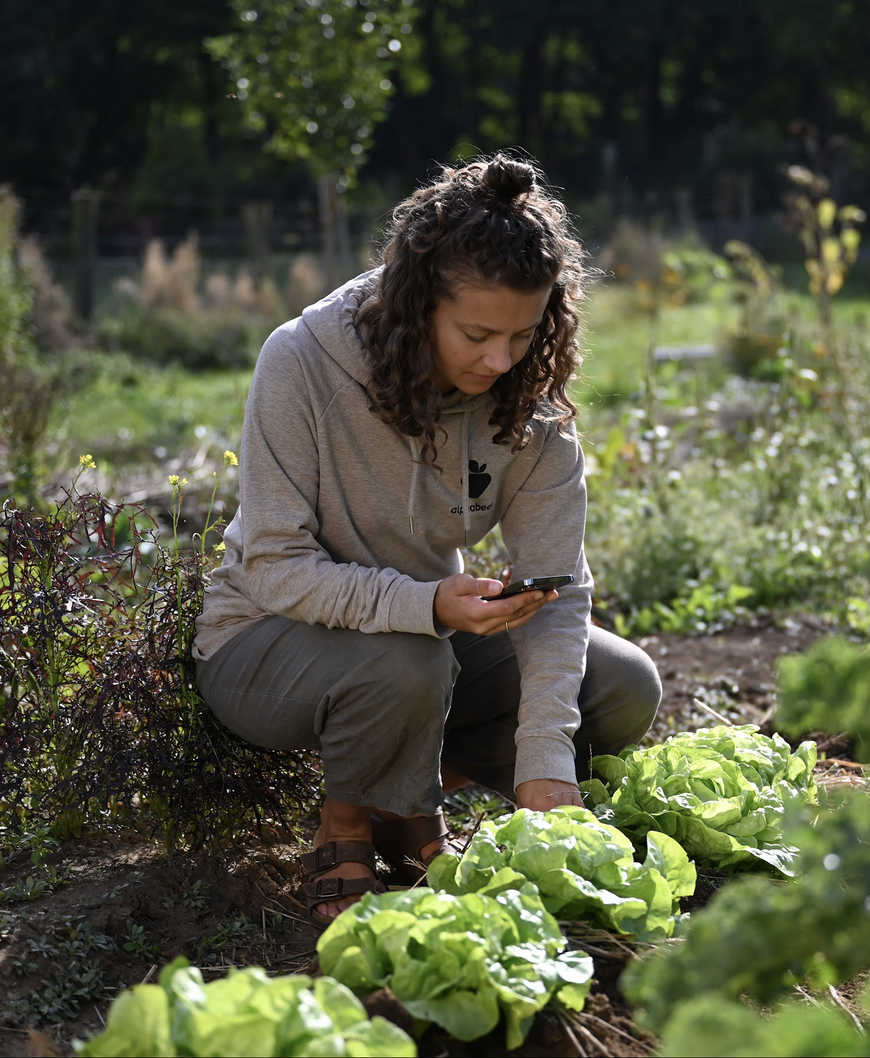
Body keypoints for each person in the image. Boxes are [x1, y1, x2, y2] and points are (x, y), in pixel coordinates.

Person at [193, 154, 662, 923]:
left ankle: (405, 788)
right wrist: (430, 606)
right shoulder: (302, 362)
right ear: (416, 307)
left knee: (621, 684)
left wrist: (546, 764)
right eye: (477, 333)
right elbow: (274, 568)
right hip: (263, 641)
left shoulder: (528, 401)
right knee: (407, 657)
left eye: (523, 333)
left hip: (422, 645)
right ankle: (346, 824)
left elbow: (556, 588)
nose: (501, 360)